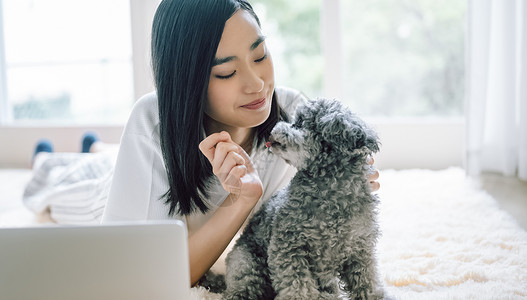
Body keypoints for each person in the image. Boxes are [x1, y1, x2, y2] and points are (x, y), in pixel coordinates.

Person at [24, 0, 380, 287]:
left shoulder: (291, 114)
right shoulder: (151, 121)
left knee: (105, 159)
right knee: (54, 187)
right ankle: (47, 161)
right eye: (227, 72)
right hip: (101, 199)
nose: (257, 84)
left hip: (137, 164)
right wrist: (241, 201)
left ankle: (97, 150)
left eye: (260, 55)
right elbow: (149, 279)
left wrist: (347, 178)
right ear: (188, 81)